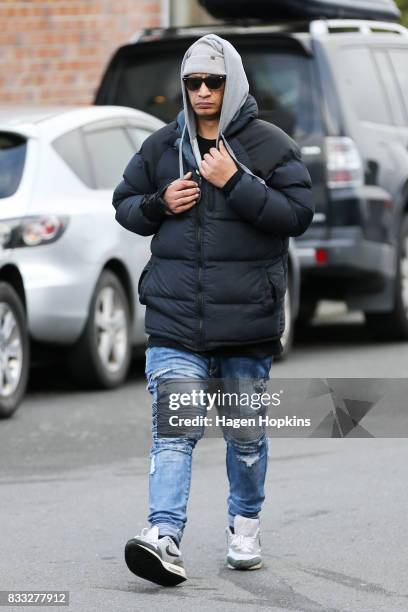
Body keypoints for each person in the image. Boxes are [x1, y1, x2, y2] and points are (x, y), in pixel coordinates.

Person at [112, 33, 314, 587]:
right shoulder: (162, 146)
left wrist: (238, 183)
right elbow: (124, 204)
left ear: (234, 84)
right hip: (176, 322)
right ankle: (164, 536)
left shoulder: (271, 146)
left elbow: (298, 214)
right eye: (193, 82)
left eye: (214, 81)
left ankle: (244, 529)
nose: (203, 92)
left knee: (245, 435)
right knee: (174, 431)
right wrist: (158, 203)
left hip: (246, 323)